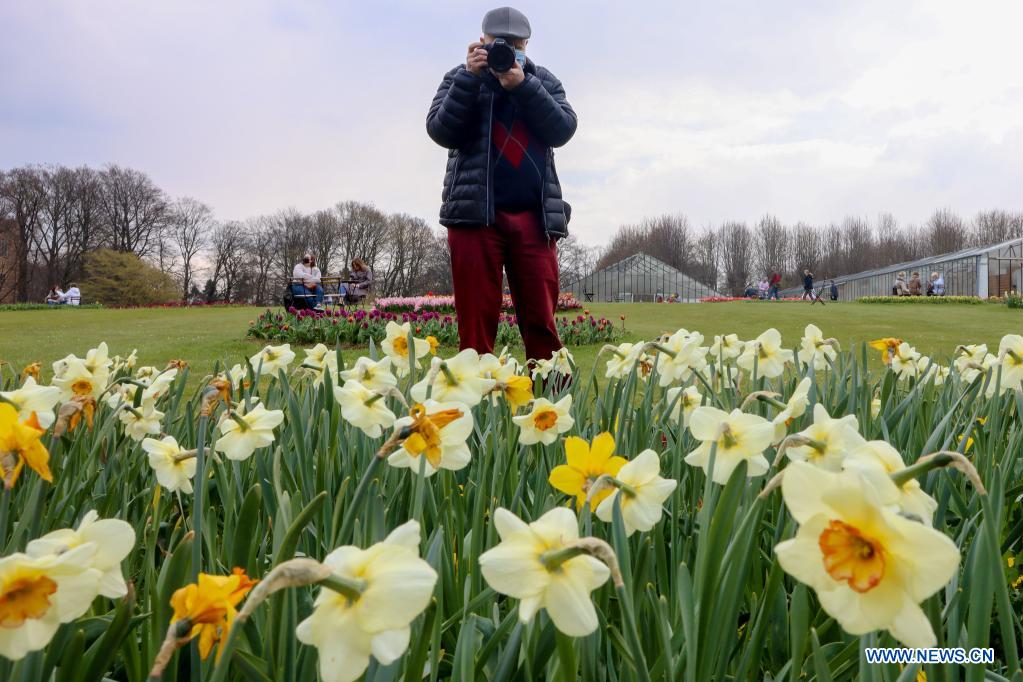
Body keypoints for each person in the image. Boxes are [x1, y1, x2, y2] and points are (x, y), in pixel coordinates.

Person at [426, 6, 575, 362]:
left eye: (515, 44)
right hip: (475, 218)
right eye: (498, 43)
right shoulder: (459, 78)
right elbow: (440, 130)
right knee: (475, 324)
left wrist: (524, 87)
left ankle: (551, 408)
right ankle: (476, 407)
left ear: (526, 44)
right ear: (482, 42)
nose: (507, 50)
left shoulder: (544, 81)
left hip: (534, 218)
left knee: (542, 321)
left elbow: (563, 129)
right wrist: (468, 78)